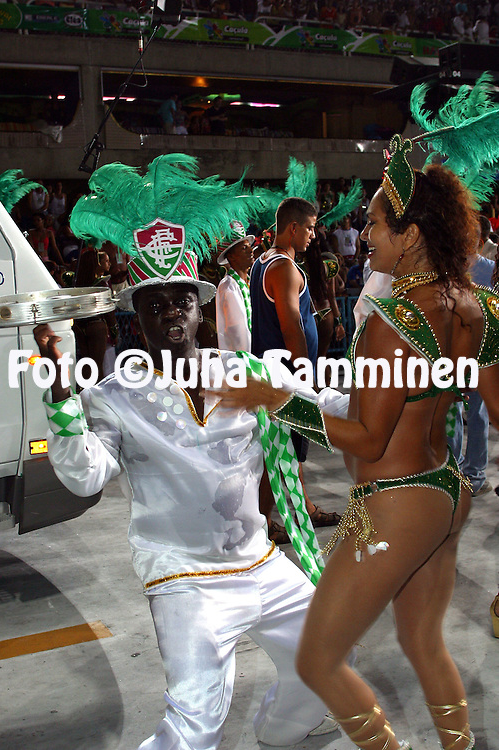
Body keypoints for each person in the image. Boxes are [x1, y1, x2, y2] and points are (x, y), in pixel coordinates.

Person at [214, 122, 499, 748]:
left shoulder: (390, 322)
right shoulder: (478, 306)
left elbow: (367, 441)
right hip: (449, 496)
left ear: (412, 235)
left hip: (395, 503)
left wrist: (279, 401)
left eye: (373, 225)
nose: (362, 236)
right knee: (423, 645)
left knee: (317, 663)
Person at [33, 241, 340, 750]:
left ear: (201, 309)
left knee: (331, 657)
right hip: (185, 577)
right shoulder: (113, 395)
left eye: (181, 301)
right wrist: (61, 396)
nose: (171, 312)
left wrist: (413, 387)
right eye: (155, 305)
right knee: (197, 726)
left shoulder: (245, 371)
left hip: (261, 562)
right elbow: (84, 476)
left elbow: (329, 404)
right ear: (137, 317)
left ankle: (282, 730)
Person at [250, 197, 341, 543]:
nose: (313, 235)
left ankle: (303, 509)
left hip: (274, 373)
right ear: (293, 228)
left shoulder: (263, 263)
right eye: (310, 227)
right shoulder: (283, 268)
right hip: (287, 378)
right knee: (277, 453)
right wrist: (307, 378)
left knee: (287, 449)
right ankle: (260, 524)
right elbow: (292, 328)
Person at [448, 238, 495, 496]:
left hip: (467, 351)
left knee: (461, 411)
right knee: (473, 414)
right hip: (472, 351)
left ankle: (462, 473)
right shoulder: (488, 267)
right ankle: (471, 474)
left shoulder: (445, 267)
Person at [72, 248, 119, 382]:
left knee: (87, 362)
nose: (109, 264)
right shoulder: (102, 284)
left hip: (80, 326)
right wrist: (114, 330)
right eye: (106, 261)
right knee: (97, 365)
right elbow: (108, 311)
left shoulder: (78, 282)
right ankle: (98, 394)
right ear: (97, 263)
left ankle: (85, 389)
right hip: (96, 325)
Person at [215, 221, 255, 352]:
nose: (251, 250)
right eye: (244, 248)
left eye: (249, 246)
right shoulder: (228, 286)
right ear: (231, 256)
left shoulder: (248, 282)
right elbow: (238, 334)